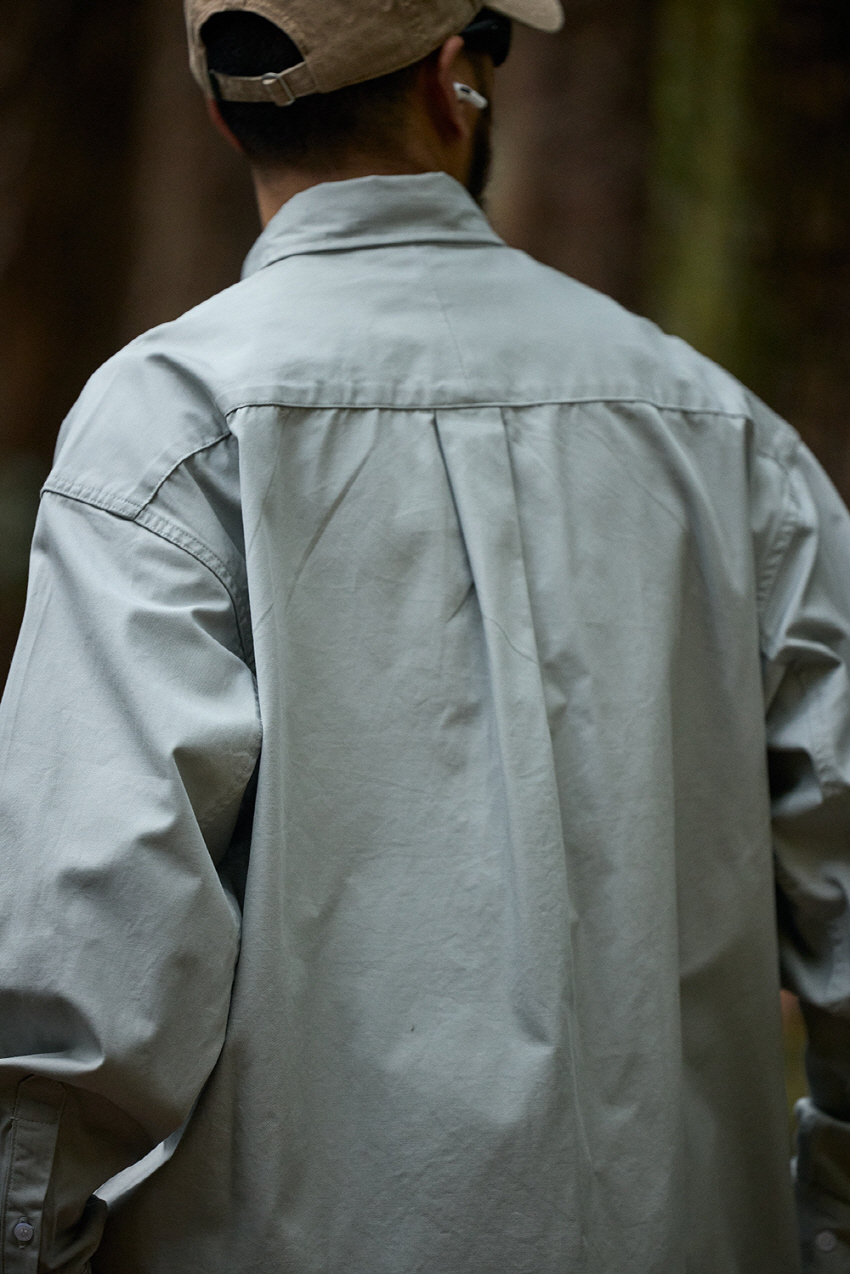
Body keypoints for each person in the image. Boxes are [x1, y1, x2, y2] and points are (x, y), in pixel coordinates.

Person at [1, 0, 850, 1269]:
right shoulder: (723, 437)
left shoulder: (167, 424)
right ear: (455, 80)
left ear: (222, 113)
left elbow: (88, 942)